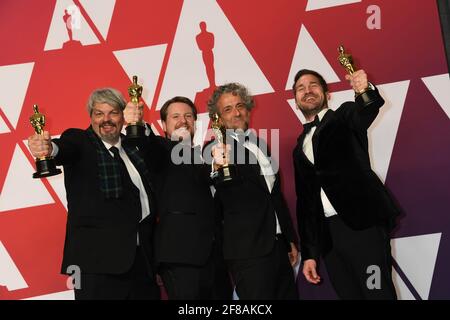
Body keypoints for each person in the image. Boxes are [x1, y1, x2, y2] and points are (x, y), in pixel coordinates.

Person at [27, 88, 160, 300]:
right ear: (91, 117)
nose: (106, 120)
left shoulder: (135, 148)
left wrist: (141, 125)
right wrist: (48, 148)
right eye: (99, 113)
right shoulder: (80, 142)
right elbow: (64, 148)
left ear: (124, 115)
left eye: (113, 113)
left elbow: (160, 152)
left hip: (141, 263)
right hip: (96, 268)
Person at [292, 69, 400, 299]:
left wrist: (364, 90)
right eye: (301, 88)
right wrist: (310, 254)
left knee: (377, 292)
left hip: (363, 228)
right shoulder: (298, 149)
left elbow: (366, 108)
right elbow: (307, 205)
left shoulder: (343, 117)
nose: (307, 90)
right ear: (295, 101)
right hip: (330, 240)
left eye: (313, 85)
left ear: (327, 93)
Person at [124, 96, 232, 300]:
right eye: (175, 116)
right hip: (180, 257)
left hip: (217, 257)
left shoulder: (209, 153)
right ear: (164, 125)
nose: (183, 120)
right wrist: (138, 124)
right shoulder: (162, 150)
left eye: (188, 116)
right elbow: (148, 144)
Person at [207, 83, 299, 300]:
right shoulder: (215, 148)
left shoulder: (260, 145)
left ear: (248, 108)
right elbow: (211, 167)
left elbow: (274, 196)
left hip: (278, 247)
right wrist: (216, 165)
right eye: (228, 109)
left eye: (240, 106)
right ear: (217, 118)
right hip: (247, 252)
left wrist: (289, 238)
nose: (237, 112)